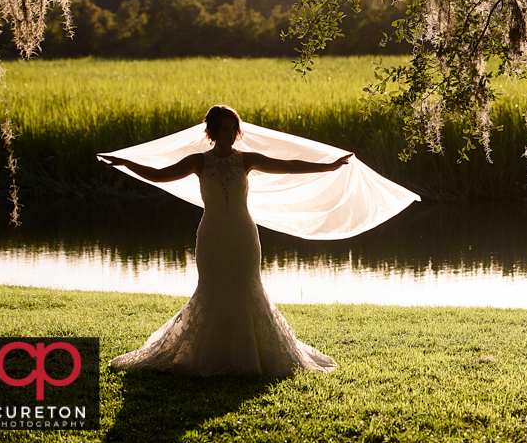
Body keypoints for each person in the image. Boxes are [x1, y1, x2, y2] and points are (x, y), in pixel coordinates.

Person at [99, 105, 350, 376]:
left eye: (233, 129)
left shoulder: (246, 160)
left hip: (243, 236)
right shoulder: (198, 161)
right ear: (212, 131)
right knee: (212, 290)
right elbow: (159, 175)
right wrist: (126, 163)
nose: (230, 134)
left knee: (246, 288)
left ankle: (251, 354)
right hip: (212, 237)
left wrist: (329, 165)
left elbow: (288, 166)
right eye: (224, 129)